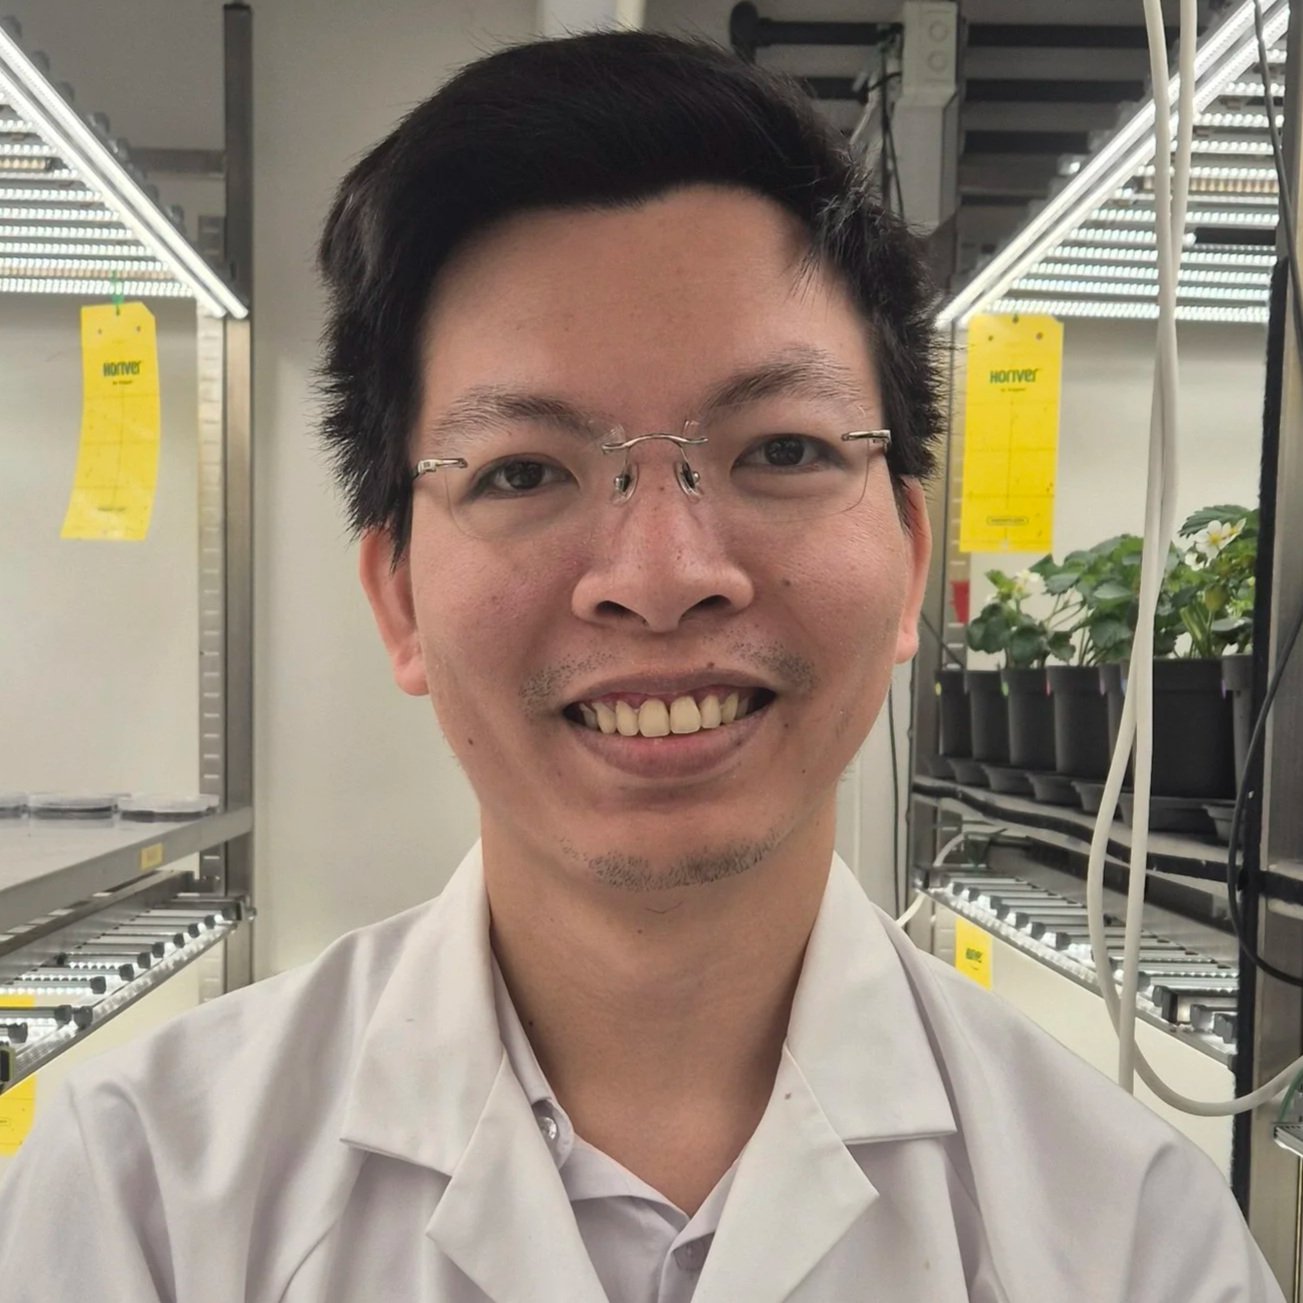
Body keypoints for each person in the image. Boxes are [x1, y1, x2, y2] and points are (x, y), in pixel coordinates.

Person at [0, 28, 1284, 1303]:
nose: (662, 571)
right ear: (396, 593)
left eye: (777, 450)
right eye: (523, 470)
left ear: (904, 548)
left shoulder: (1132, 1241)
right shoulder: (140, 1198)